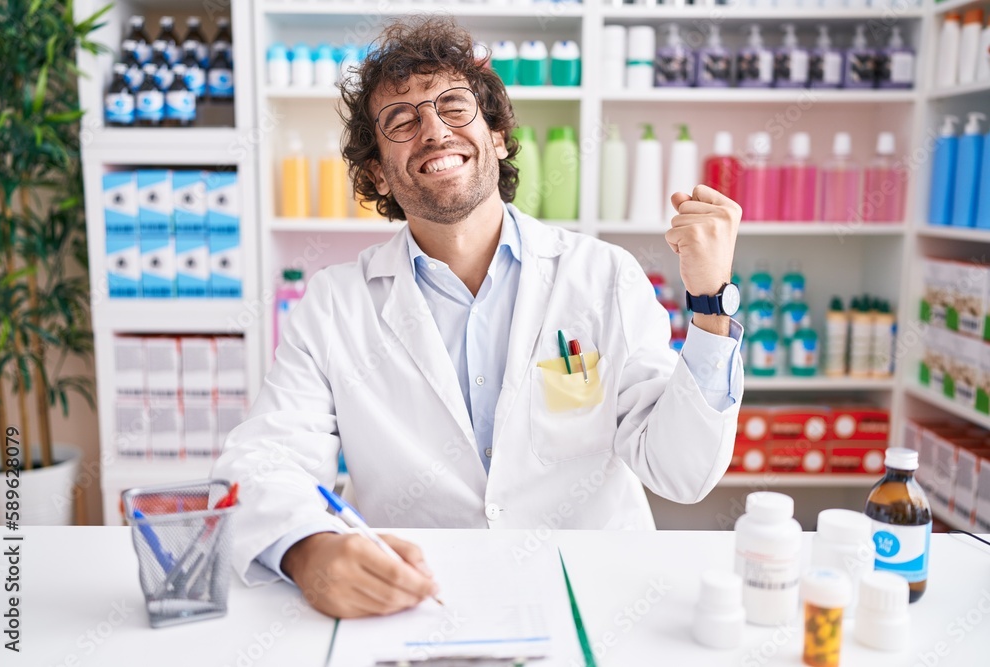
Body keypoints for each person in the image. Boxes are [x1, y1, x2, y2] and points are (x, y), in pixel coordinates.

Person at [213, 17, 744, 619]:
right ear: (378, 173)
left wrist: (709, 304)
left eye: (454, 107)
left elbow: (682, 471)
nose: (434, 131)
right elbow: (264, 459)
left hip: (594, 600)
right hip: (418, 601)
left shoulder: (603, 276)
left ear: (496, 136)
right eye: (402, 121)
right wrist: (305, 551)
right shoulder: (334, 305)